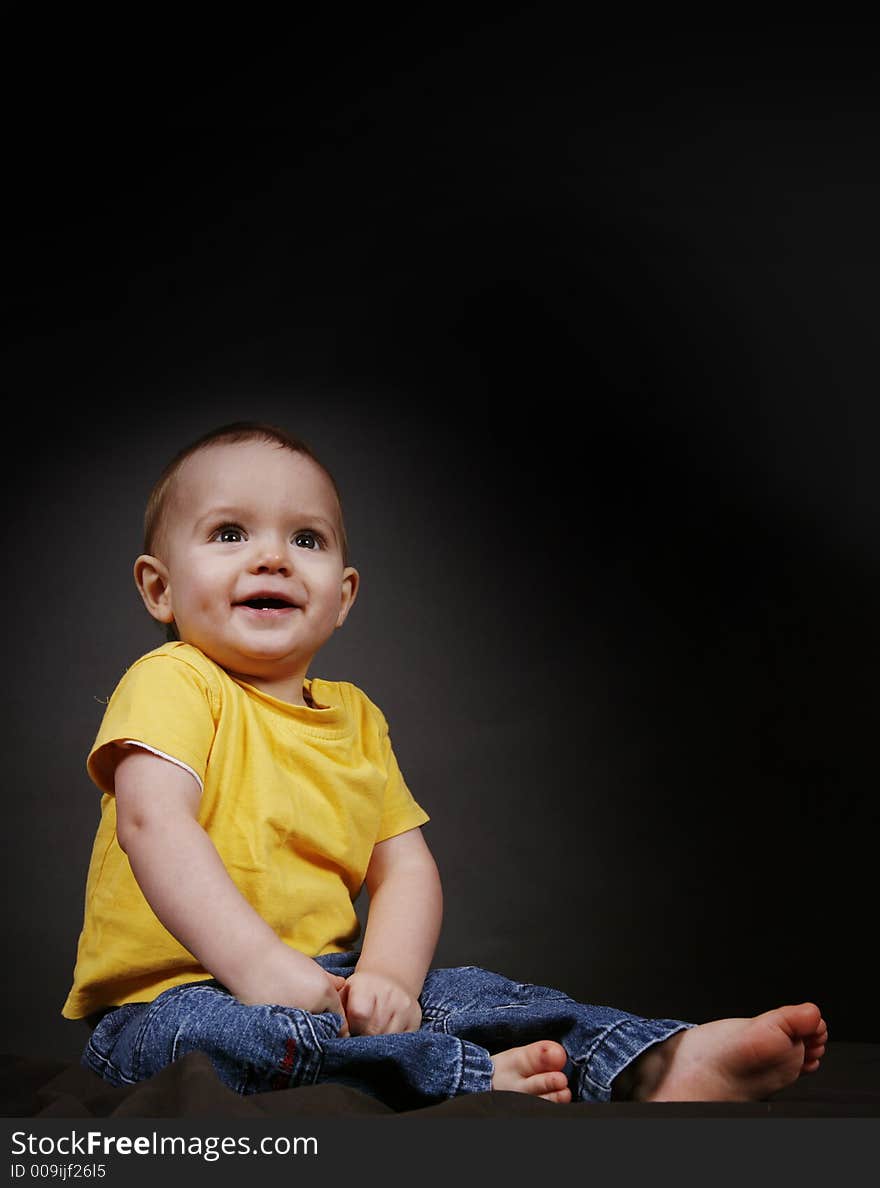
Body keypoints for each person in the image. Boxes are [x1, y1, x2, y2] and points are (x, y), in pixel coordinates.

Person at [62, 421, 828, 1108]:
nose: (272, 557)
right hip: (169, 1002)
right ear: (159, 588)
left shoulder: (357, 718)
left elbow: (405, 870)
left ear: (344, 597)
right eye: (229, 533)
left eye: (307, 540)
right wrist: (261, 968)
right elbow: (152, 821)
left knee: (475, 993)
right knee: (240, 1041)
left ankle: (651, 1060)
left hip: (328, 979)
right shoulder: (175, 681)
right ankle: (469, 1080)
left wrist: (390, 979)